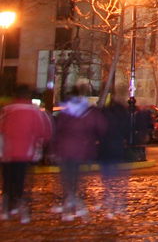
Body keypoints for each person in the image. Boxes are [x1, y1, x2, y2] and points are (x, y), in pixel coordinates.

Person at [50, 86, 106, 222]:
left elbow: (57, 131)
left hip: (65, 150)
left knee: (67, 179)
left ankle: (68, 206)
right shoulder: (89, 112)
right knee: (77, 179)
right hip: (83, 150)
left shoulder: (65, 112)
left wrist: (53, 150)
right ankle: (75, 204)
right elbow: (102, 127)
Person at [0, 88, 53, 224]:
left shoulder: (7, 110)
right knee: (21, 181)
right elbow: (44, 131)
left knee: (7, 181)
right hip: (25, 152)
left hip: (7, 152)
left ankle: (6, 208)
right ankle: (20, 208)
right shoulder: (34, 112)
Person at [98, 98, 132, 218]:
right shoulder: (123, 116)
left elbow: (100, 131)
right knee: (119, 179)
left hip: (106, 148)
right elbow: (128, 131)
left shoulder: (105, 116)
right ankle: (120, 204)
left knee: (107, 177)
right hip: (118, 148)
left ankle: (109, 200)